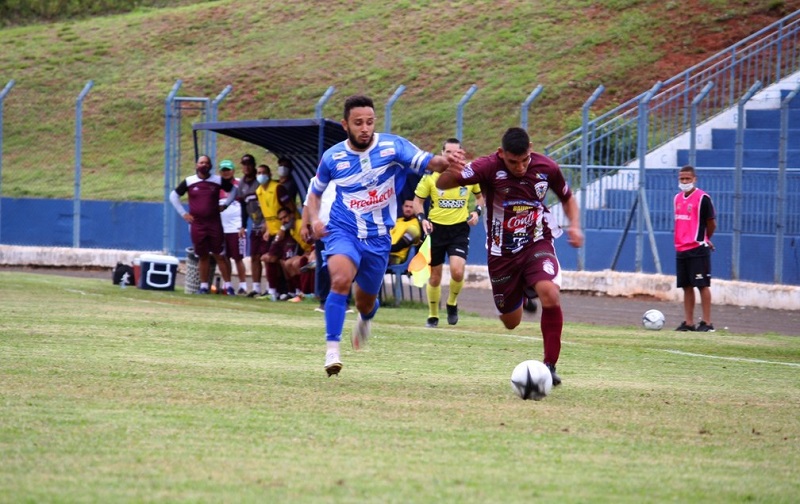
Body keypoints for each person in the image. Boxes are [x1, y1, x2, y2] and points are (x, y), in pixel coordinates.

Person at [305, 94, 454, 377]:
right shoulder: (332, 157)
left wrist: (444, 161)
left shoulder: (392, 146)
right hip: (342, 228)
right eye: (358, 123)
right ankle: (332, 350)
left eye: (370, 122)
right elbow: (315, 193)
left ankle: (366, 316)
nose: (365, 128)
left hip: (378, 236)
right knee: (339, 279)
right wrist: (313, 219)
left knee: (365, 302)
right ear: (345, 124)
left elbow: (428, 161)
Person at [436, 127, 583, 387]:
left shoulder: (546, 167)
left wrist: (575, 225)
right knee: (511, 322)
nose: (520, 166)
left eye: (525, 159)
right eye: (513, 162)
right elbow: (442, 184)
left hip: (537, 242)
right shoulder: (487, 167)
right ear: (501, 154)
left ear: (531, 150)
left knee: (550, 292)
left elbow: (567, 197)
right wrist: (451, 168)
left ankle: (549, 366)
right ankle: (525, 292)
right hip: (501, 254)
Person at [413, 138, 484, 327]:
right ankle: (433, 315)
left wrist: (477, 212)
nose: (452, 157)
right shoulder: (431, 176)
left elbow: (480, 197)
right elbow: (417, 202)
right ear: (442, 155)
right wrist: (422, 219)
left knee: (457, 271)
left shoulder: (469, 175)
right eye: (448, 153)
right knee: (435, 276)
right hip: (436, 229)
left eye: (456, 153)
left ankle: (452, 303)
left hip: (459, 229)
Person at [169, 155, 237, 294]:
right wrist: (184, 214)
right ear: (196, 165)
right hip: (197, 224)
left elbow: (234, 191)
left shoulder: (217, 180)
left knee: (219, 254)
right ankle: (204, 286)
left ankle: (228, 286)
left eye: (206, 163)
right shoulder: (189, 181)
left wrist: (225, 205)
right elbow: (173, 196)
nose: (204, 165)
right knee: (202, 255)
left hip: (214, 222)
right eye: (201, 162)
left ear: (210, 165)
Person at [673, 165, 717, 332]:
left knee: (702, 284)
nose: (684, 182)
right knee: (686, 286)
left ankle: (707, 323)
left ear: (694, 179)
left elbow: (711, 223)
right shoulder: (677, 198)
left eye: (687, 179)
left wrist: (705, 239)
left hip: (697, 248)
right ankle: (689, 322)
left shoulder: (703, 198)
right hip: (681, 248)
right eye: (682, 179)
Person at [218, 159, 248, 295]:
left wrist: (243, 226)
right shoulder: (217, 185)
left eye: (228, 169)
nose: (226, 172)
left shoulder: (239, 184)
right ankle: (228, 285)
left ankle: (243, 285)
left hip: (236, 228)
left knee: (238, 257)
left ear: (233, 171)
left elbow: (245, 204)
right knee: (223, 257)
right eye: (223, 170)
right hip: (221, 228)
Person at [255, 162, 284, 300]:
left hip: (283, 230)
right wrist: (266, 228)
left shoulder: (277, 188)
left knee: (271, 258)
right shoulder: (259, 191)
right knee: (265, 258)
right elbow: (266, 211)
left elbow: (289, 208)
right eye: (258, 173)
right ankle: (273, 290)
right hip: (271, 230)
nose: (261, 176)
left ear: (270, 175)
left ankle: (277, 291)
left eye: (263, 173)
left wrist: (283, 228)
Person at [238, 154, 266, 297]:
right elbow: (243, 207)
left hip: (266, 224)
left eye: (249, 164)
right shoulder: (242, 184)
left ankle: (272, 288)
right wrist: (242, 225)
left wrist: (267, 221)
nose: (247, 167)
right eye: (244, 164)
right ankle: (256, 288)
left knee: (266, 256)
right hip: (254, 224)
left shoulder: (259, 181)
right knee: (254, 256)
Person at [389, 199, 422, 265]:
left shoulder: (414, 227)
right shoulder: (397, 221)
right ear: (402, 207)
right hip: (385, 253)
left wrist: (380, 249)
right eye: (406, 206)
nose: (408, 209)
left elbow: (398, 247)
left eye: (411, 207)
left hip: (396, 258)